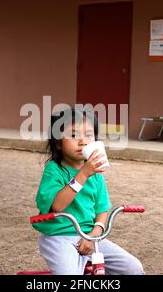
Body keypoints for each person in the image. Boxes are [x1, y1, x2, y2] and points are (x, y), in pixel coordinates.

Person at [32, 108, 144, 275]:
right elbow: (58, 206)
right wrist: (83, 173)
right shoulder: (55, 171)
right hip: (59, 237)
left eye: (89, 135)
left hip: (90, 237)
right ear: (58, 142)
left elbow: (102, 209)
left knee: (132, 268)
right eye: (74, 135)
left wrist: (95, 234)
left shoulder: (96, 175)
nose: (83, 141)